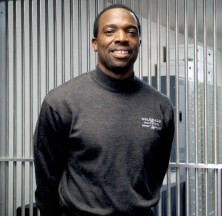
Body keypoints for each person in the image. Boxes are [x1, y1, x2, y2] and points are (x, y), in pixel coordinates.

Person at [33, 4, 175, 216]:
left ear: (138, 43)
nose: (122, 38)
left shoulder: (161, 106)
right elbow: (47, 184)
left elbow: (155, 173)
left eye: (131, 32)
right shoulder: (61, 102)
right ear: (95, 43)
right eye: (110, 31)